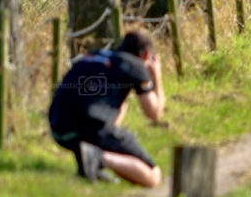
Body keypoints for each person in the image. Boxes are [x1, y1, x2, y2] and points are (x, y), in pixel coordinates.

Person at [48, 29, 166, 185]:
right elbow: (154, 113)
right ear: (146, 55)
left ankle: (93, 162)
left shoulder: (94, 56)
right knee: (154, 176)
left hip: (59, 130)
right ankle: (98, 158)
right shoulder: (135, 65)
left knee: (108, 135)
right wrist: (156, 75)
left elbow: (114, 108)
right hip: (89, 128)